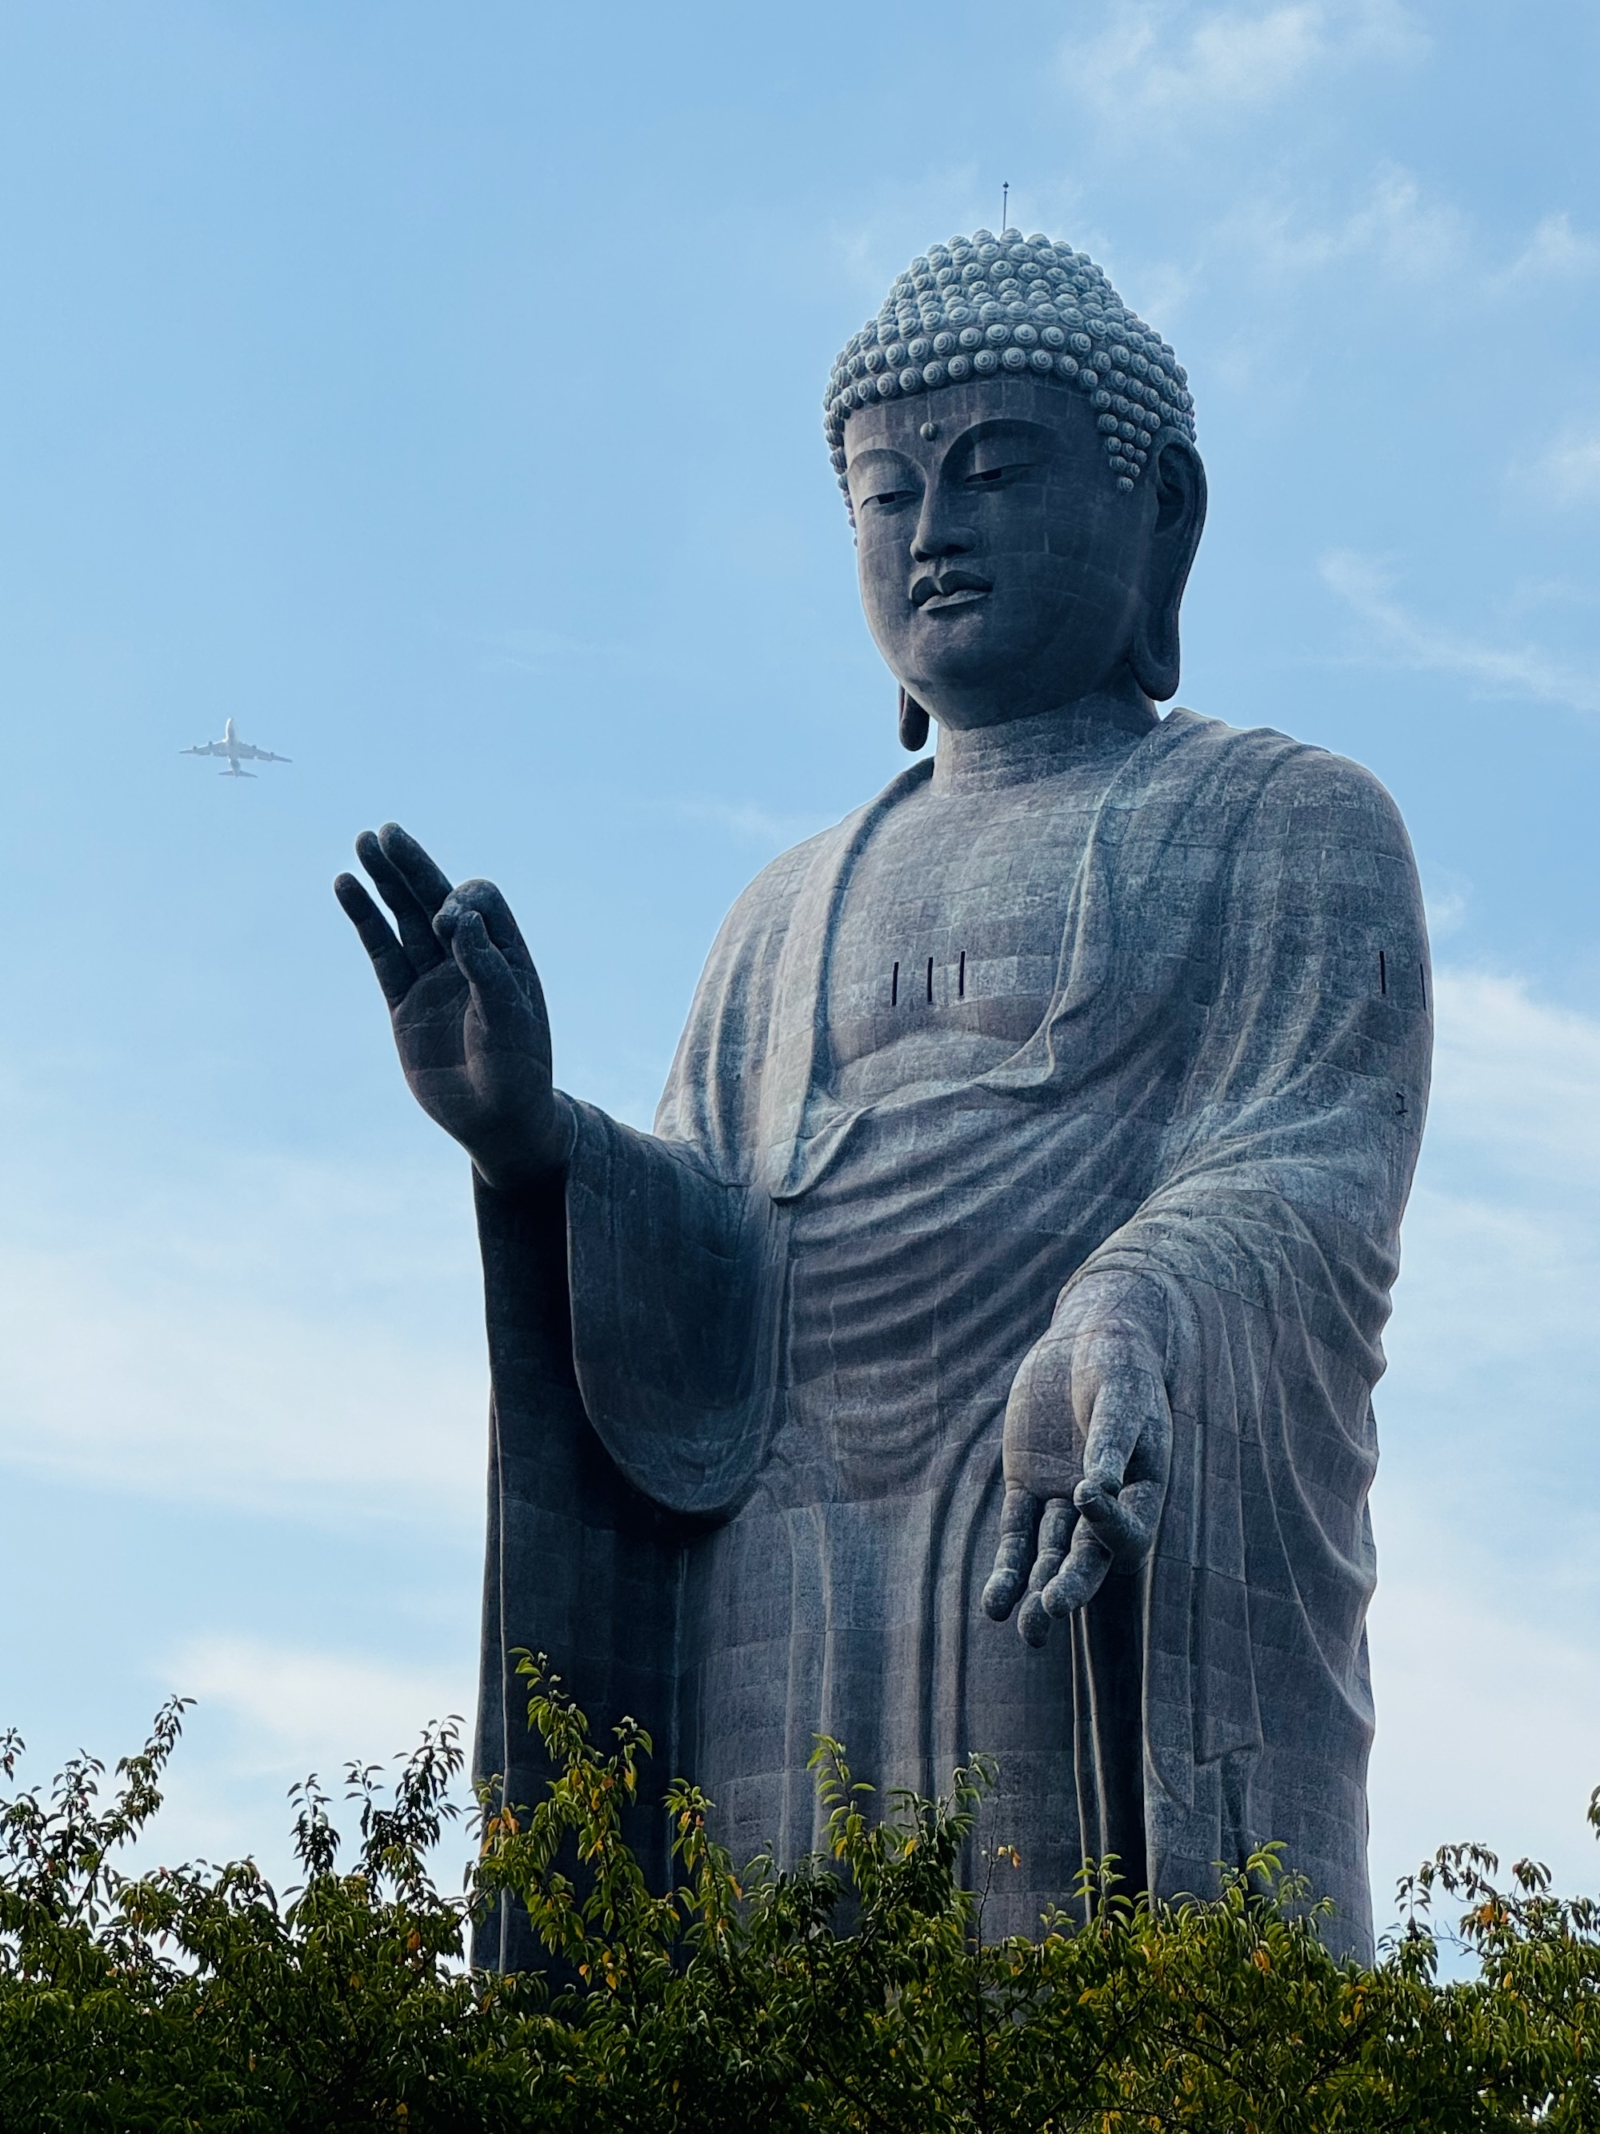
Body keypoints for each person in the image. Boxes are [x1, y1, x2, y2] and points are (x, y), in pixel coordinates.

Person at [337, 228, 1430, 1966]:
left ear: (1167, 519)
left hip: (1065, 1539)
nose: (937, 527)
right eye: (884, 489)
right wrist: (537, 1143)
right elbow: (711, 1252)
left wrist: (1132, 1297)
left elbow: (1306, 1165)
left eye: (995, 469)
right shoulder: (780, 911)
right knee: (767, 1997)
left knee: (1062, 2003)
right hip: (782, 1582)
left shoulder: (1283, 821)